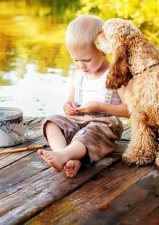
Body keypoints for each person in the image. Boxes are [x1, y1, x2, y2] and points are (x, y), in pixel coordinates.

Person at [37, 15, 129, 178]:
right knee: (51, 122)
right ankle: (65, 157)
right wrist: (68, 107)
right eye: (75, 60)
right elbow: (70, 102)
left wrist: (101, 107)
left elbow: (130, 110)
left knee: (89, 133)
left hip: (103, 125)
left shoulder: (115, 75)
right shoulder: (78, 75)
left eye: (86, 59)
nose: (81, 65)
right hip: (78, 121)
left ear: (103, 51)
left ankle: (65, 155)